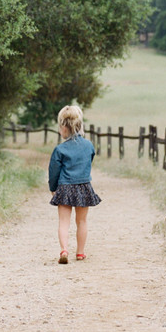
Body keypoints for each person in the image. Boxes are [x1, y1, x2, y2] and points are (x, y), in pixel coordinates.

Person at [48, 105, 101, 264]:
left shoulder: (60, 149)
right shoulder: (89, 146)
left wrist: (53, 188)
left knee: (64, 222)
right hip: (83, 186)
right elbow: (89, 162)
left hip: (64, 187)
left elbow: (53, 172)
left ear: (64, 127)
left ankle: (64, 249)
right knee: (82, 221)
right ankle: (80, 252)